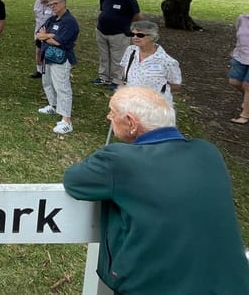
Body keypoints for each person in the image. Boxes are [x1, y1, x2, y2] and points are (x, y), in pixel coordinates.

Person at [63, 86, 249, 294]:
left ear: (132, 123)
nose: (109, 117)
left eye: (113, 112)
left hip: (154, 286)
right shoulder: (209, 152)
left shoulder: (118, 160)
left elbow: (73, 180)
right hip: (231, 285)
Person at [36, 0, 79, 134]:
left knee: (62, 87)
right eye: (50, 5)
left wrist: (46, 36)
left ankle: (66, 120)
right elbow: (38, 34)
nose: (52, 7)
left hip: (61, 58)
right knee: (47, 82)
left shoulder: (69, 22)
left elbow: (59, 41)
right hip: (47, 56)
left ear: (63, 4)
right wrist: (50, 36)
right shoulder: (52, 19)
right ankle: (52, 105)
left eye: (55, 4)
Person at [93, 0, 141, 89]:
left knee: (118, 58)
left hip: (119, 34)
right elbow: (103, 11)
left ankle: (117, 80)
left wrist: (129, 28)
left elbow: (137, 15)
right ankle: (103, 77)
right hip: (102, 32)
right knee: (104, 56)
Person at [120, 20, 182, 103]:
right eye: (132, 34)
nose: (135, 37)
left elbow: (176, 85)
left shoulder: (167, 61)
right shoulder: (130, 50)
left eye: (140, 35)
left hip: (154, 105)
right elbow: (124, 72)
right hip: (130, 101)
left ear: (152, 37)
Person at [30, 0, 54, 78]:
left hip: (49, 33)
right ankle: (39, 71)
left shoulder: (53, 4)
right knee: (38, 51)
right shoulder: (37, 3)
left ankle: (49, 71)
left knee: (49, 52)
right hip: (38, 31)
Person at [229, 13, 249, 124]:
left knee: (248, 86)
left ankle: (245, 115)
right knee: (234, 81)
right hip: (241, 56)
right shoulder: (242, 19)